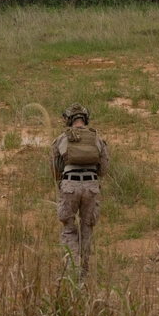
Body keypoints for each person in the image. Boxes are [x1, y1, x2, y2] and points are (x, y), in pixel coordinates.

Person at [50, 104, 109, 280]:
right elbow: (103, 169)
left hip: (69, 186)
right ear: (85, 119)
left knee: (68, 228)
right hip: (91, 186)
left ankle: (72, 270)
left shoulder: (61, 139)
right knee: (87, 228)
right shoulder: (96, 138)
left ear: (69, 120)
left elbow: (54, 169)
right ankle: (83, 273)